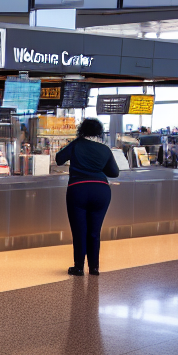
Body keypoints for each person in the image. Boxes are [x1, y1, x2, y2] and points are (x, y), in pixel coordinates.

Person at [55, 118, 121, 276]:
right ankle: (94, 268)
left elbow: (59, 159)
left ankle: (78, 267)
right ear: (99, 131)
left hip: (78, 190)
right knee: (94, 231)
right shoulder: (104, 149)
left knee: (79, 230)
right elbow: (114, 173)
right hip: (101, 191)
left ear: (81, 129)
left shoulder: (77, 144)